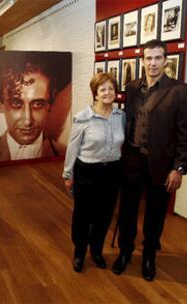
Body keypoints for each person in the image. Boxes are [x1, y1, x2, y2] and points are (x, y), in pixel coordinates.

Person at [112, 39, 187, 281]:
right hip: (132, 160)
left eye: (158, 58)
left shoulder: (179, 91)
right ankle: (125, 252)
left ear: (165, 61)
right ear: (143, 60)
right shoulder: (132, 88)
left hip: (162, 164)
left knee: (155, 214)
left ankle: (149, 256)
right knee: (127, 211)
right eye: (148, 58)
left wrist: (179, 168)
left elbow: (186, 134)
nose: (153, 63)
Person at [62, 73, 125, 272]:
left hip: (112, 172)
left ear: (116, 92)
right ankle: (79, 251)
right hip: (87, 172)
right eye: (102, 89)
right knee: (83, 215)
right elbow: (72, 148)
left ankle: (96, 250)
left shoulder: (121, 116)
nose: (107, 93)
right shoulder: (83, 118)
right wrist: (68, 174)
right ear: (95, 94)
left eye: (111, 89)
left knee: (105, 215)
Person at [0, 52, 70, 161]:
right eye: (16, 104)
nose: (27, 121)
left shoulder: (66, 156)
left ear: (51, 102)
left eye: (37, 104)